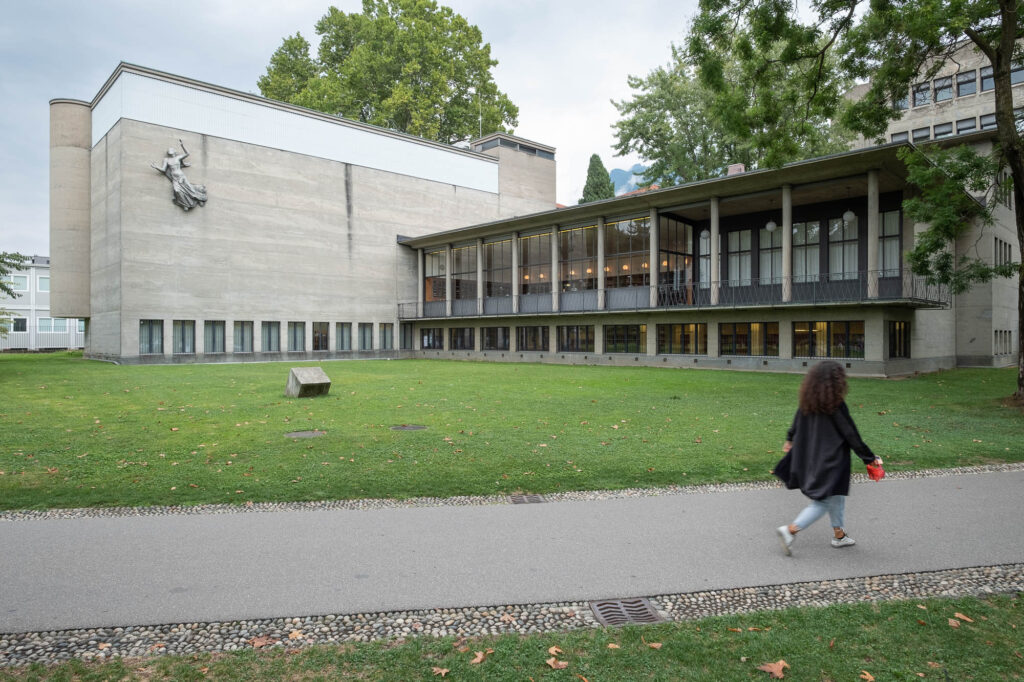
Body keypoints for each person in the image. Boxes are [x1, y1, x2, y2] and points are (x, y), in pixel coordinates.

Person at [773, 360, 882, 556]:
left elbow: (796, 423)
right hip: (832, 460)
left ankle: (839, 535)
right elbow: (851, 434)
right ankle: (790, 530)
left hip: (814, 457)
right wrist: (869, 457)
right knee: (823, 501)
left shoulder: (808, 402)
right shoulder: (835, 405)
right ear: (836, 381)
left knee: (837, 493)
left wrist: (789, 439)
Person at [151, 139, 207, 211]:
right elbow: (163, 170)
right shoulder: (166, 160)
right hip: (175, 178)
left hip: (181, 176)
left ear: (174, 152)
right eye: (169, 150)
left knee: (190, 189)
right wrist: (156, 167)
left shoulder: (178, 157)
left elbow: (187, 153)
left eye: (171, 150)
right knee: (177, 191)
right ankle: (186, 204)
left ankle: (200, 199)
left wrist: (182, 145)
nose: (170, 151)